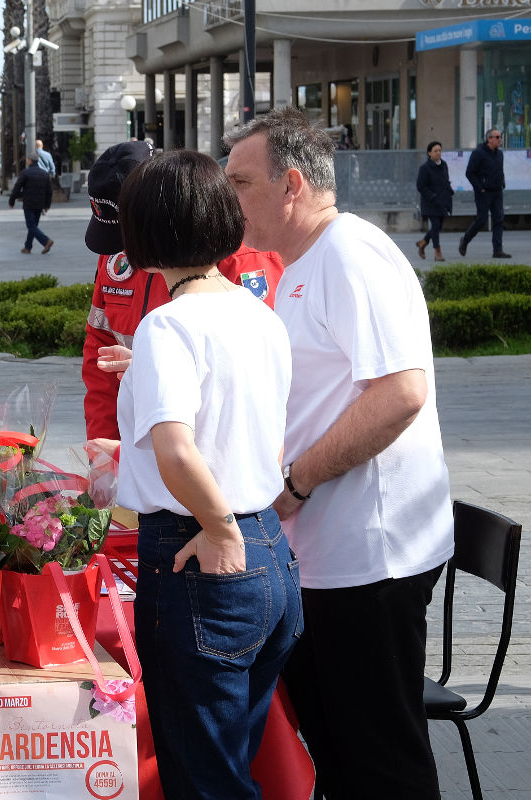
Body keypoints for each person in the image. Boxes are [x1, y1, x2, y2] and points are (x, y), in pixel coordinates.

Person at [224, 106, 453, 799]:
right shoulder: (301, 262)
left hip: (368, 558)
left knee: (379, 759)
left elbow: (400, 394)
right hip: (325, 555)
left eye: (239, 182)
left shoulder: (351, 254)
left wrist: (295, 483)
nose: (227, 198)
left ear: (290, 183)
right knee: (340, 748)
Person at [102, 148, 299, 800]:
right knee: (232, 762)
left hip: (205, 555)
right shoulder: (259, 314)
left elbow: (179, 451)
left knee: (205, 779)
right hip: (270, 553)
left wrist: (217, 528)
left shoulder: (169, 324)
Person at [81, 140, 285, 440]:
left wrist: (156, 370)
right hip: (142, 450)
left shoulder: (242, 260)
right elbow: (99, 355)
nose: (125, 248)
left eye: (129, 230)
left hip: (205, 450)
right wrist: (105, 446)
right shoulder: (115, 258)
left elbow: (256, 381)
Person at [459, 128, 509, 258]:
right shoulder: (478, 153)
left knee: (499, 220)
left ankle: (497, 250)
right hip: (484, 192)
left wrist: (502, 182)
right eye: (497, 137)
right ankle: (465, 240)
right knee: (481, 220)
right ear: (489, 139)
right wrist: (479, 187)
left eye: (500, 137)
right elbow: (469, 172)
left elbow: (500, 170)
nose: (500, 139)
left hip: (497, 191)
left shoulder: (499, 154)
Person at [415, 141, 453, 262]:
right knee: (435, 225)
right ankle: (437, 252)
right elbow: (420, 185)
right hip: (431, 202)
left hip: (443, 201)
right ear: (429, 153)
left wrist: (449, 191)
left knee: (438, 226)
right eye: (435, 151)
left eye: (440, 150)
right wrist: (431, 196)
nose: (438, 153)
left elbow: (446, 181)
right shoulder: (425, 168)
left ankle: (423, 242)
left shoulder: (444, 165)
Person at [9, 155, 53, 254]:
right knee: (33, 226)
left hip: (29, 204)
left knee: (31, 226)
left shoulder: (25, 173)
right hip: (40, 204)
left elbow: (17, 187)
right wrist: (47, 205)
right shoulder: (44, 174)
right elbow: (49, 191)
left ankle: (46, 241)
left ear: (29, 161)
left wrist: (12, 201)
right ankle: (27, 247)